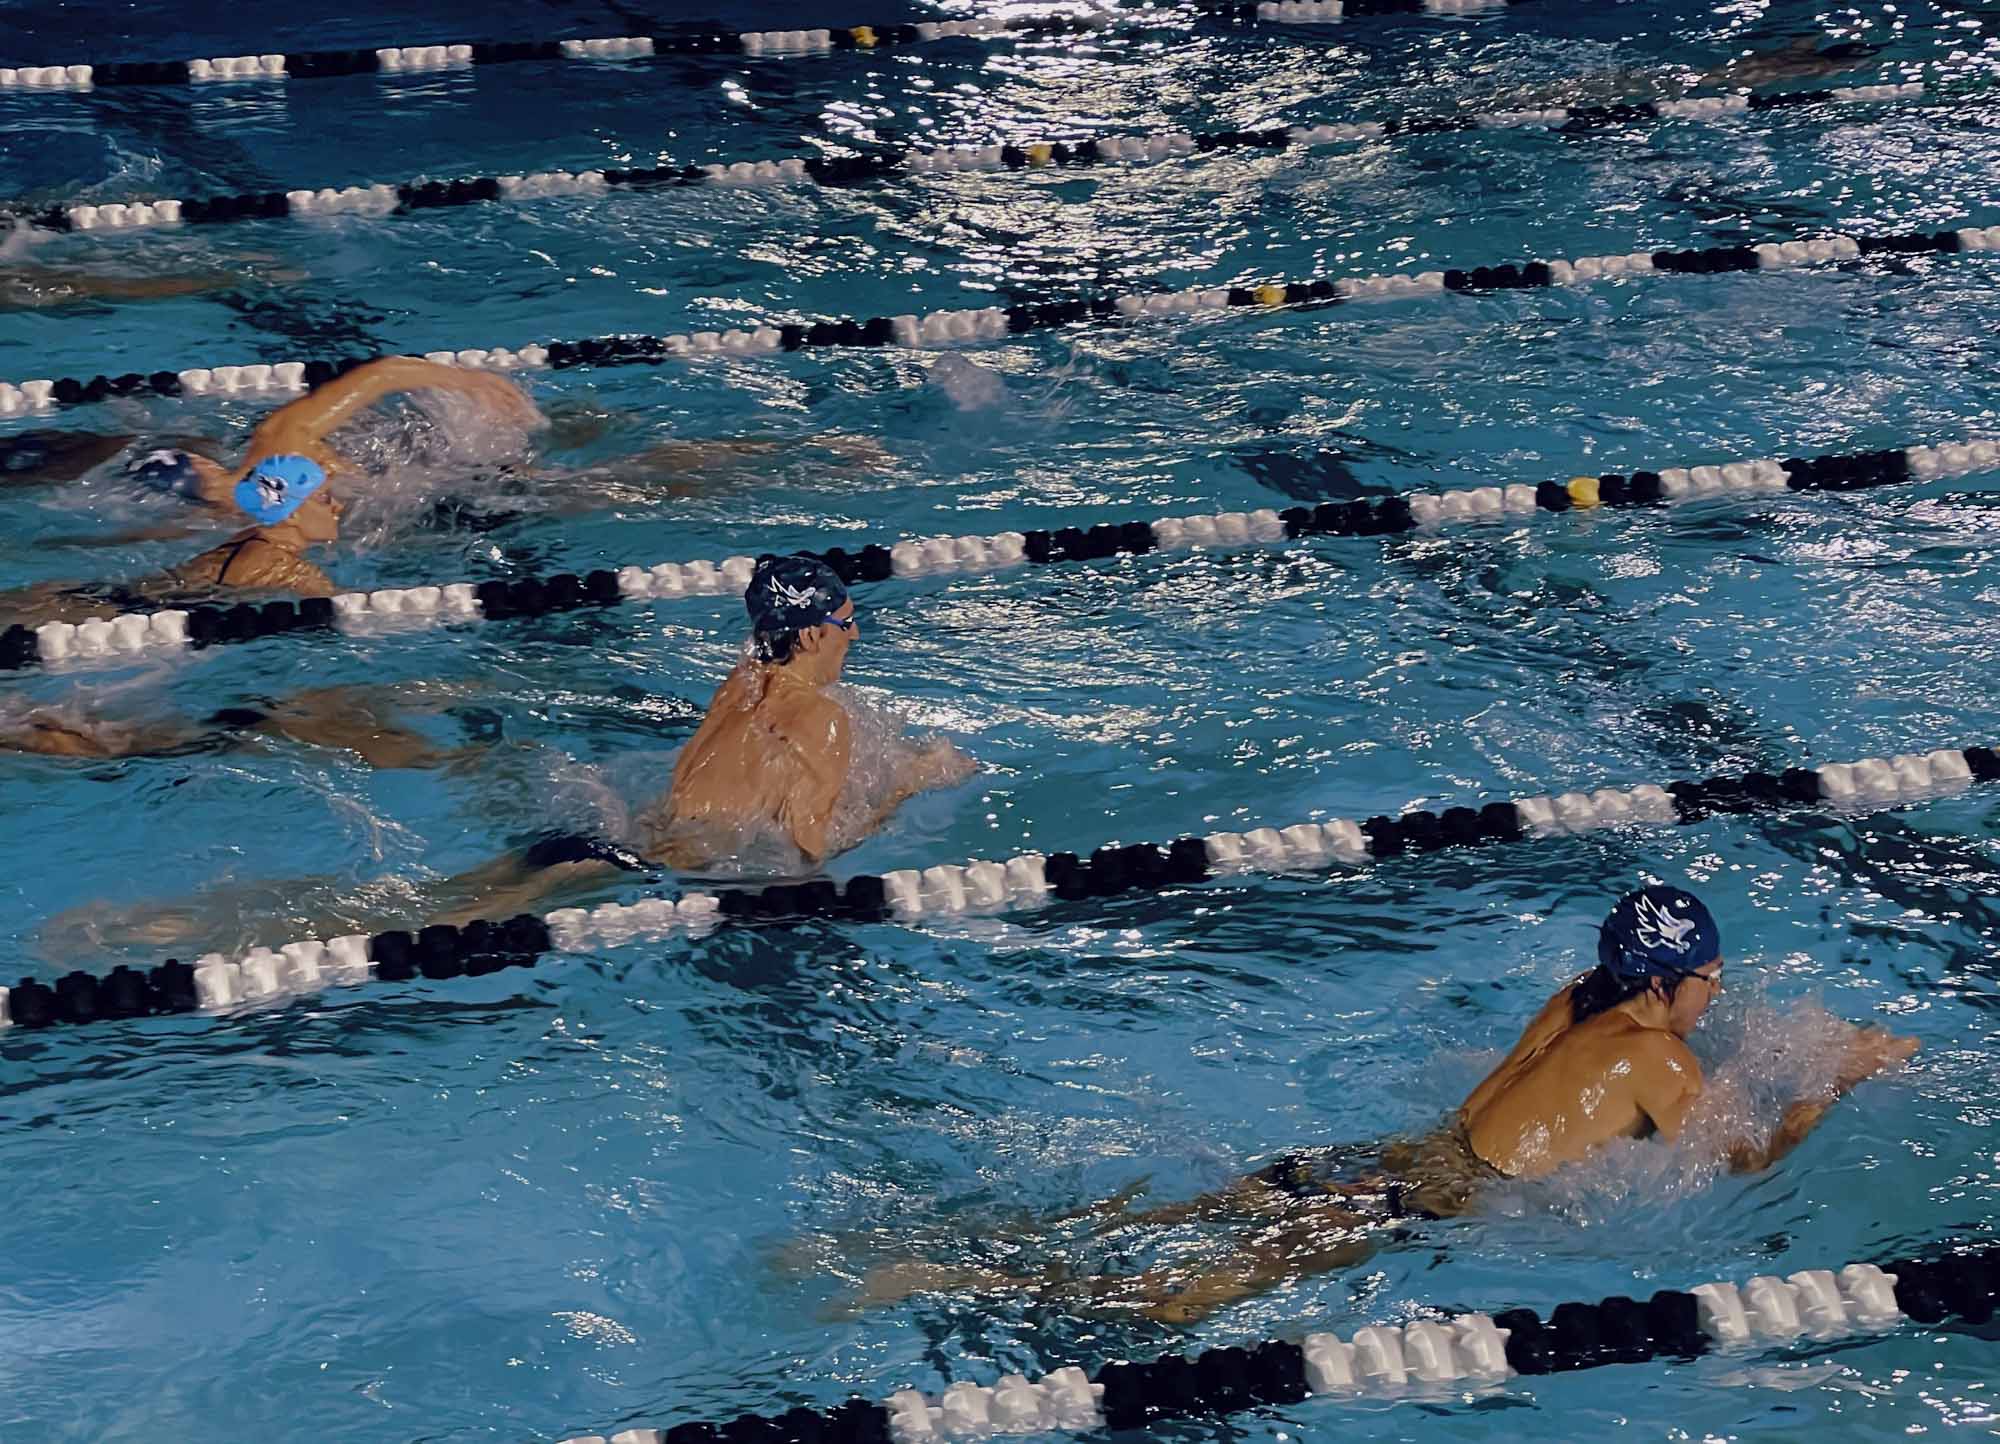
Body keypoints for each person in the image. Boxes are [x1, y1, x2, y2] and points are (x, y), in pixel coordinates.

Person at [854, 886, 1918, 1324]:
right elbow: (1738, 1171)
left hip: (1397, 1151)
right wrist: (1827, 1083)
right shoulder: (1662, 1065)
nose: (1717, 992)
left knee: (1167, 1221)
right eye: (1709, 977)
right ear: (1661, 984)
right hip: (1424, 1201)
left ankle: (968, 1252)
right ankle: (966, 1290)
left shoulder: (1574, 1000)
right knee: (1178, 1303)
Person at [427, 553, 975, 924]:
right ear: (810, 633)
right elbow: (808, 853)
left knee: (423, 916)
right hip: (642, 870)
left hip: (596, 843)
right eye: (844, 621)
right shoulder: (823, 719)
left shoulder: (741, 681)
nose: (853, 633)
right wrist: (909, 786)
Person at [0, 684, 478, 769]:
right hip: (231, 731)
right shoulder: (354, 731)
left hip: (236, 724)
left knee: (113, 742)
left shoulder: (338, 712)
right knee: (109, 749)